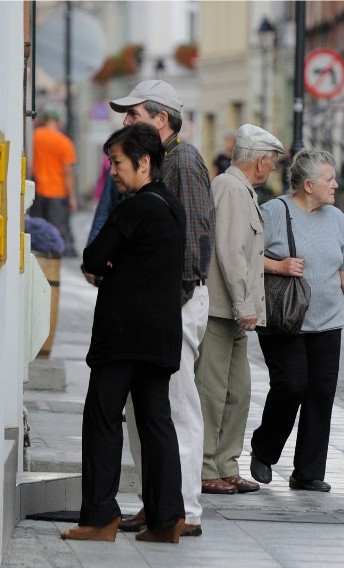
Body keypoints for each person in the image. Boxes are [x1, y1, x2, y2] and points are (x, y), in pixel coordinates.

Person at [61, 123, 186, 543]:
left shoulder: (134, 208)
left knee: (102, 419)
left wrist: (110, 262)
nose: (112, 171)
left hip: (123, 336)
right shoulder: (170, 206)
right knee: (156, 423)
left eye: (116, 162)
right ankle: (168, 518)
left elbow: (94, 256)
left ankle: (99, 517)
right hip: (161, 336)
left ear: (143, 161)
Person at [109, 79, 214, 535]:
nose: (126, 123)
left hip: (178, 298)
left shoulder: (183, 159)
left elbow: (192, 239)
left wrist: (172, 302)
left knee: (175, 405)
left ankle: (184, 508)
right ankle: (156, 502)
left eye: (132, 115)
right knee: (145, 406)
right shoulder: (155, 161)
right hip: (158, 300)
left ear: (161, 119)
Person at [249, 149, 344, 492]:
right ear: (308, 184)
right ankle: (264, 449)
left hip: (327, 322)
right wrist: (278, 266)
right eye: (329, 179)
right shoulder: (273, 212)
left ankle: (308, 472)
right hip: (284, 319)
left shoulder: (334, 217)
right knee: (291, 385)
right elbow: (242, 256)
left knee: (320, 393)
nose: (336, 184)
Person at [194, 124, 285, 495]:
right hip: (222, 308)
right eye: (273, 162)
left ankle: (226, 463)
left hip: (232, 310)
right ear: (261, 161)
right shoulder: (230, 189)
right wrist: (243, 304)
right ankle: (204, 466)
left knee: (239, 391)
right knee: (212, 391)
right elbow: (230, 252)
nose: (274, 169)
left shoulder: (240, 190)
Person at [30, 110, 78, 257]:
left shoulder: (34, 137)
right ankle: (53, 262)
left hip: (37, 190)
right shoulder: (65, 142)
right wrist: (72, 197)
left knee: (37, 228)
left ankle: (37, 260)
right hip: (57, 191)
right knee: (56, 230)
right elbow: (68, 172)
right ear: (58, 122)